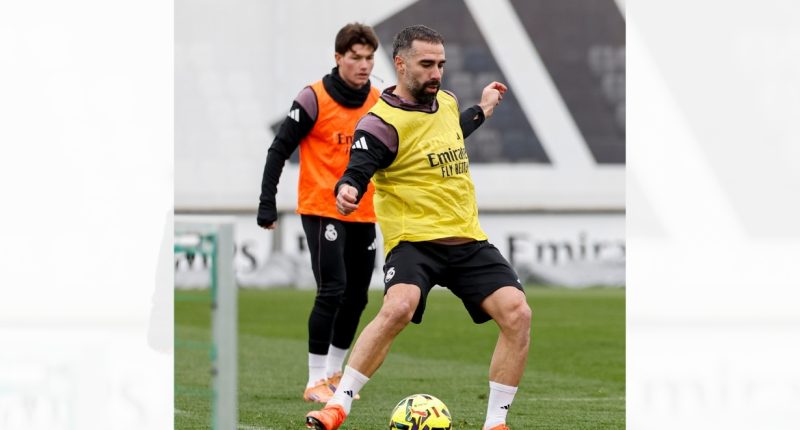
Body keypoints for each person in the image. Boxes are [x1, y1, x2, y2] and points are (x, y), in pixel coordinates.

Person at [305, 25, 531, 430]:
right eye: (427, 64)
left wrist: (483, 108)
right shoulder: (379, 123)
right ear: (400, 64)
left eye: (441, 64)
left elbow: (449, 136)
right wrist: (347, 190)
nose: (436, 73)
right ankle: (337, 405)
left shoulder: (444, 101)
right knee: (398, 307)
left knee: (518, 313)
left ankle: (496, 423)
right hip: (414, 243)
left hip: (468, 240)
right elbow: (357, 170)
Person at [257, 22, 381, 403]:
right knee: (333, 289)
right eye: (355, 58)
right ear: (338, 58)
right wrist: (267, 201)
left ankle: (333, 374)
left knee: (358, 296)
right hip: (322, 208)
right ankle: (314, 380)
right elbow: (279, 149)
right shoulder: (313, 99)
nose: (363, 65)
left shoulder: (379, 100)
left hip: (365, 211)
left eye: (369, 58)